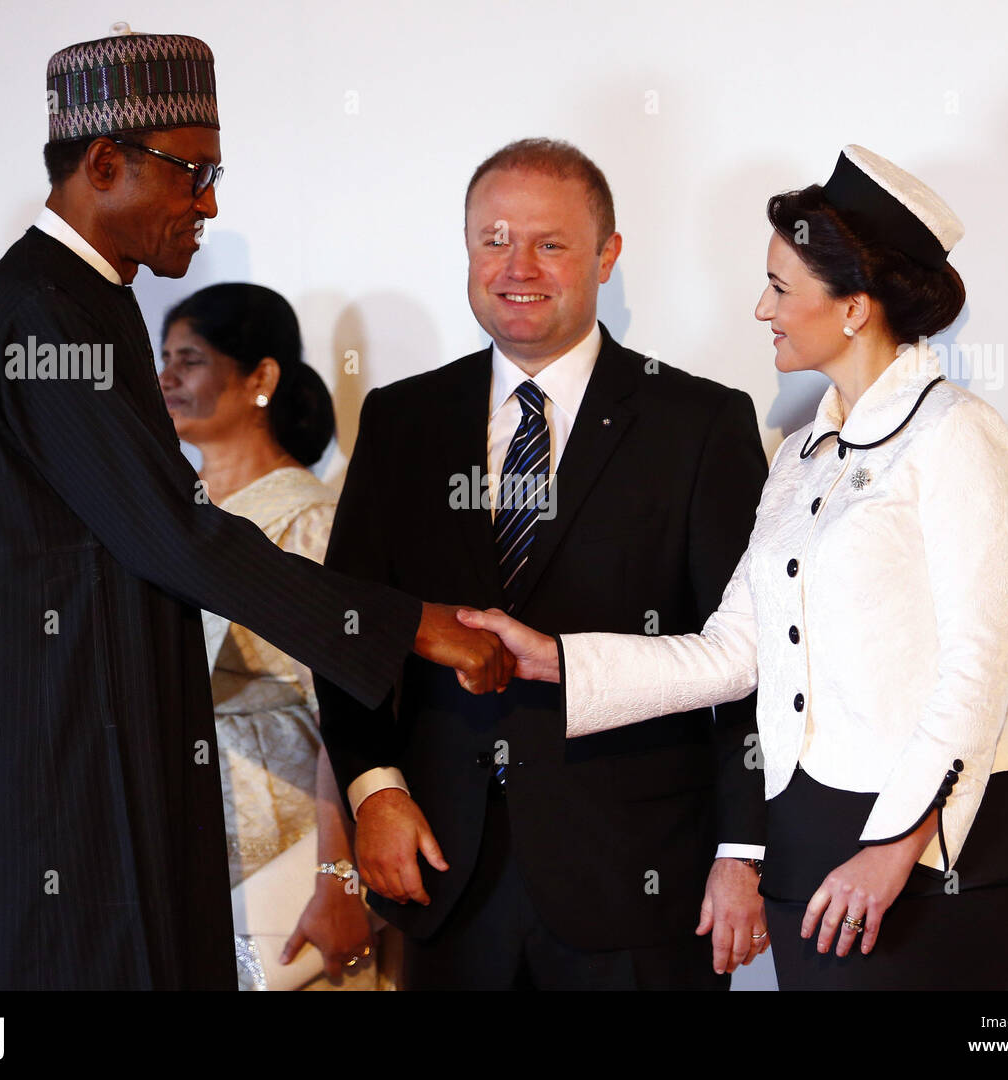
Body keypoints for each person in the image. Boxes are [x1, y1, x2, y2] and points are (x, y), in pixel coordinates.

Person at [0, 31, 510, 992]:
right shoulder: (43, 313)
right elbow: (171, 534)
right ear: (104, 164)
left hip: (106, 741)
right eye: (194, 173)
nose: (210, 203)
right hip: (62, 765)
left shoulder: (88, 301)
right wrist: (410, 625)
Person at [462, 145, 1008, 991]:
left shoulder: (959, 435)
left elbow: (980, 667)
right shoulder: (799, 459)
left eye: (781, 289)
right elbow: (731, 650)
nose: (760, 308)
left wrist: (894, 847)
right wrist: (556, 659)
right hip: (808, 837)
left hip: (937, 850)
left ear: (854, 307)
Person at [316, 138, 770, 990]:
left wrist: (742, 851)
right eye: (493, 240)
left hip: (639, 887)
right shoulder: (400, 420)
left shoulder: (698, 424)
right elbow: (352, 631)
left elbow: (745, 658)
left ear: (607, 255)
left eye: (550, 243)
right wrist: (374, 790)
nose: (516, 265)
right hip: (446, 876)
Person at [159, 283, 385, 989]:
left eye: (189, 359)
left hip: (281, 866)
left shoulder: (311, 525)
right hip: (175, 851)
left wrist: (339, 878)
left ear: (261, 376)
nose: (165, 377)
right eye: (161, 357)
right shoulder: (162, 523)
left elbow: (348, 716)